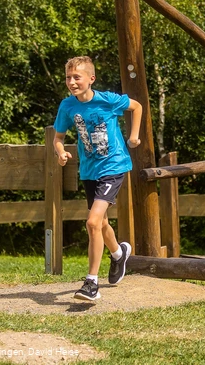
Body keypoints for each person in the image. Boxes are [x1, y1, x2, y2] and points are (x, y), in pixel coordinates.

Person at [53, 56, 142, 301]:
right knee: (100, 223)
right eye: (68, 78)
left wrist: (133, 137)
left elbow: (136, 107)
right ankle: (118, 254)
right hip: (89, 170)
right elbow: (58, 137)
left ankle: (91, 283)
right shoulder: (68, 106)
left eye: (76, 77)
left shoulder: (107, 100)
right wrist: (61, 153)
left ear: (91, 79)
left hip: (114, 166)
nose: (72, 82)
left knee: (92, 222)